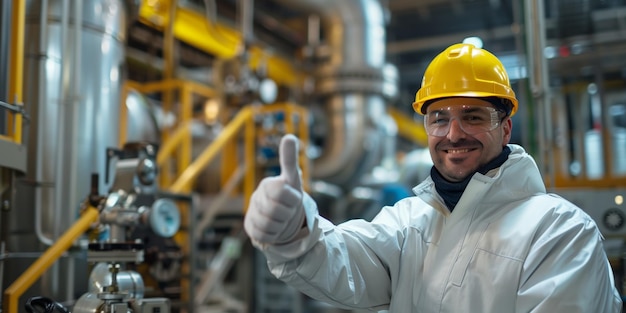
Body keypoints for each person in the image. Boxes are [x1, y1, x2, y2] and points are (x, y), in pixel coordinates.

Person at [243, 43, 623, 312]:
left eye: (473, 116)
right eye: (439, 118)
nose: (454, 134)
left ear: (505, 129)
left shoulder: (560, 233)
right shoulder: (408, 222)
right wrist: (296, 232)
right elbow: (345, 263)